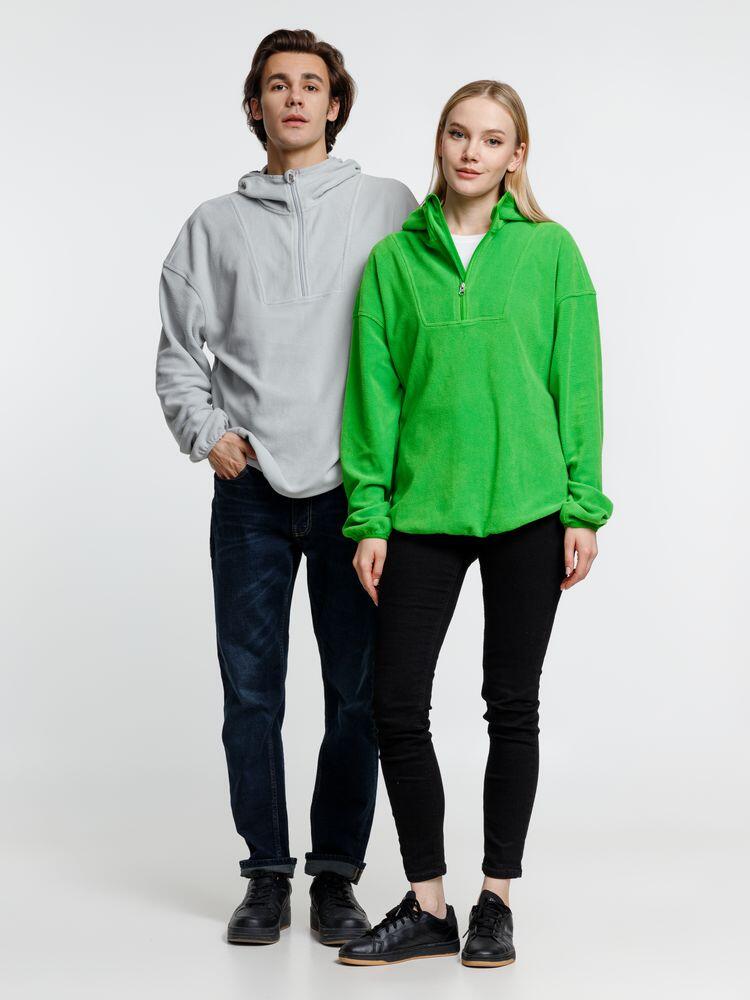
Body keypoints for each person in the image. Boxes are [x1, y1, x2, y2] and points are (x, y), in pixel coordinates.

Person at [336, 79, 613, 967]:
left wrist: (583, 505)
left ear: (516, 156)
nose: (471, 151)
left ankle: (496, 899)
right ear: (440, 142)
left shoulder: (551, 252)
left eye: (492, 140)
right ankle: (428, 904)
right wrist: (370, 517)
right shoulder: (394, 262)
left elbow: (578, 383)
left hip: (530, 510)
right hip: (423, 512)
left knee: (512, 704)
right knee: (395, 704)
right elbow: (373, 397)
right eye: (458, 134)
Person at [154, 28, 417, 947]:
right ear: (255, 105)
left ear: (335, 105)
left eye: (311, 84)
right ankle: (265, 873)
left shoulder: (387, 206)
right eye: (277, 84)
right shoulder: (211, 227)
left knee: (358, 695)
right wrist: (208, 436)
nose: (295, 97)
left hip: (357, 495)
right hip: (253, 494)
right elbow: (177, 353)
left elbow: (425, 325)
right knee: (251, 692)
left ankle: (336, 876)